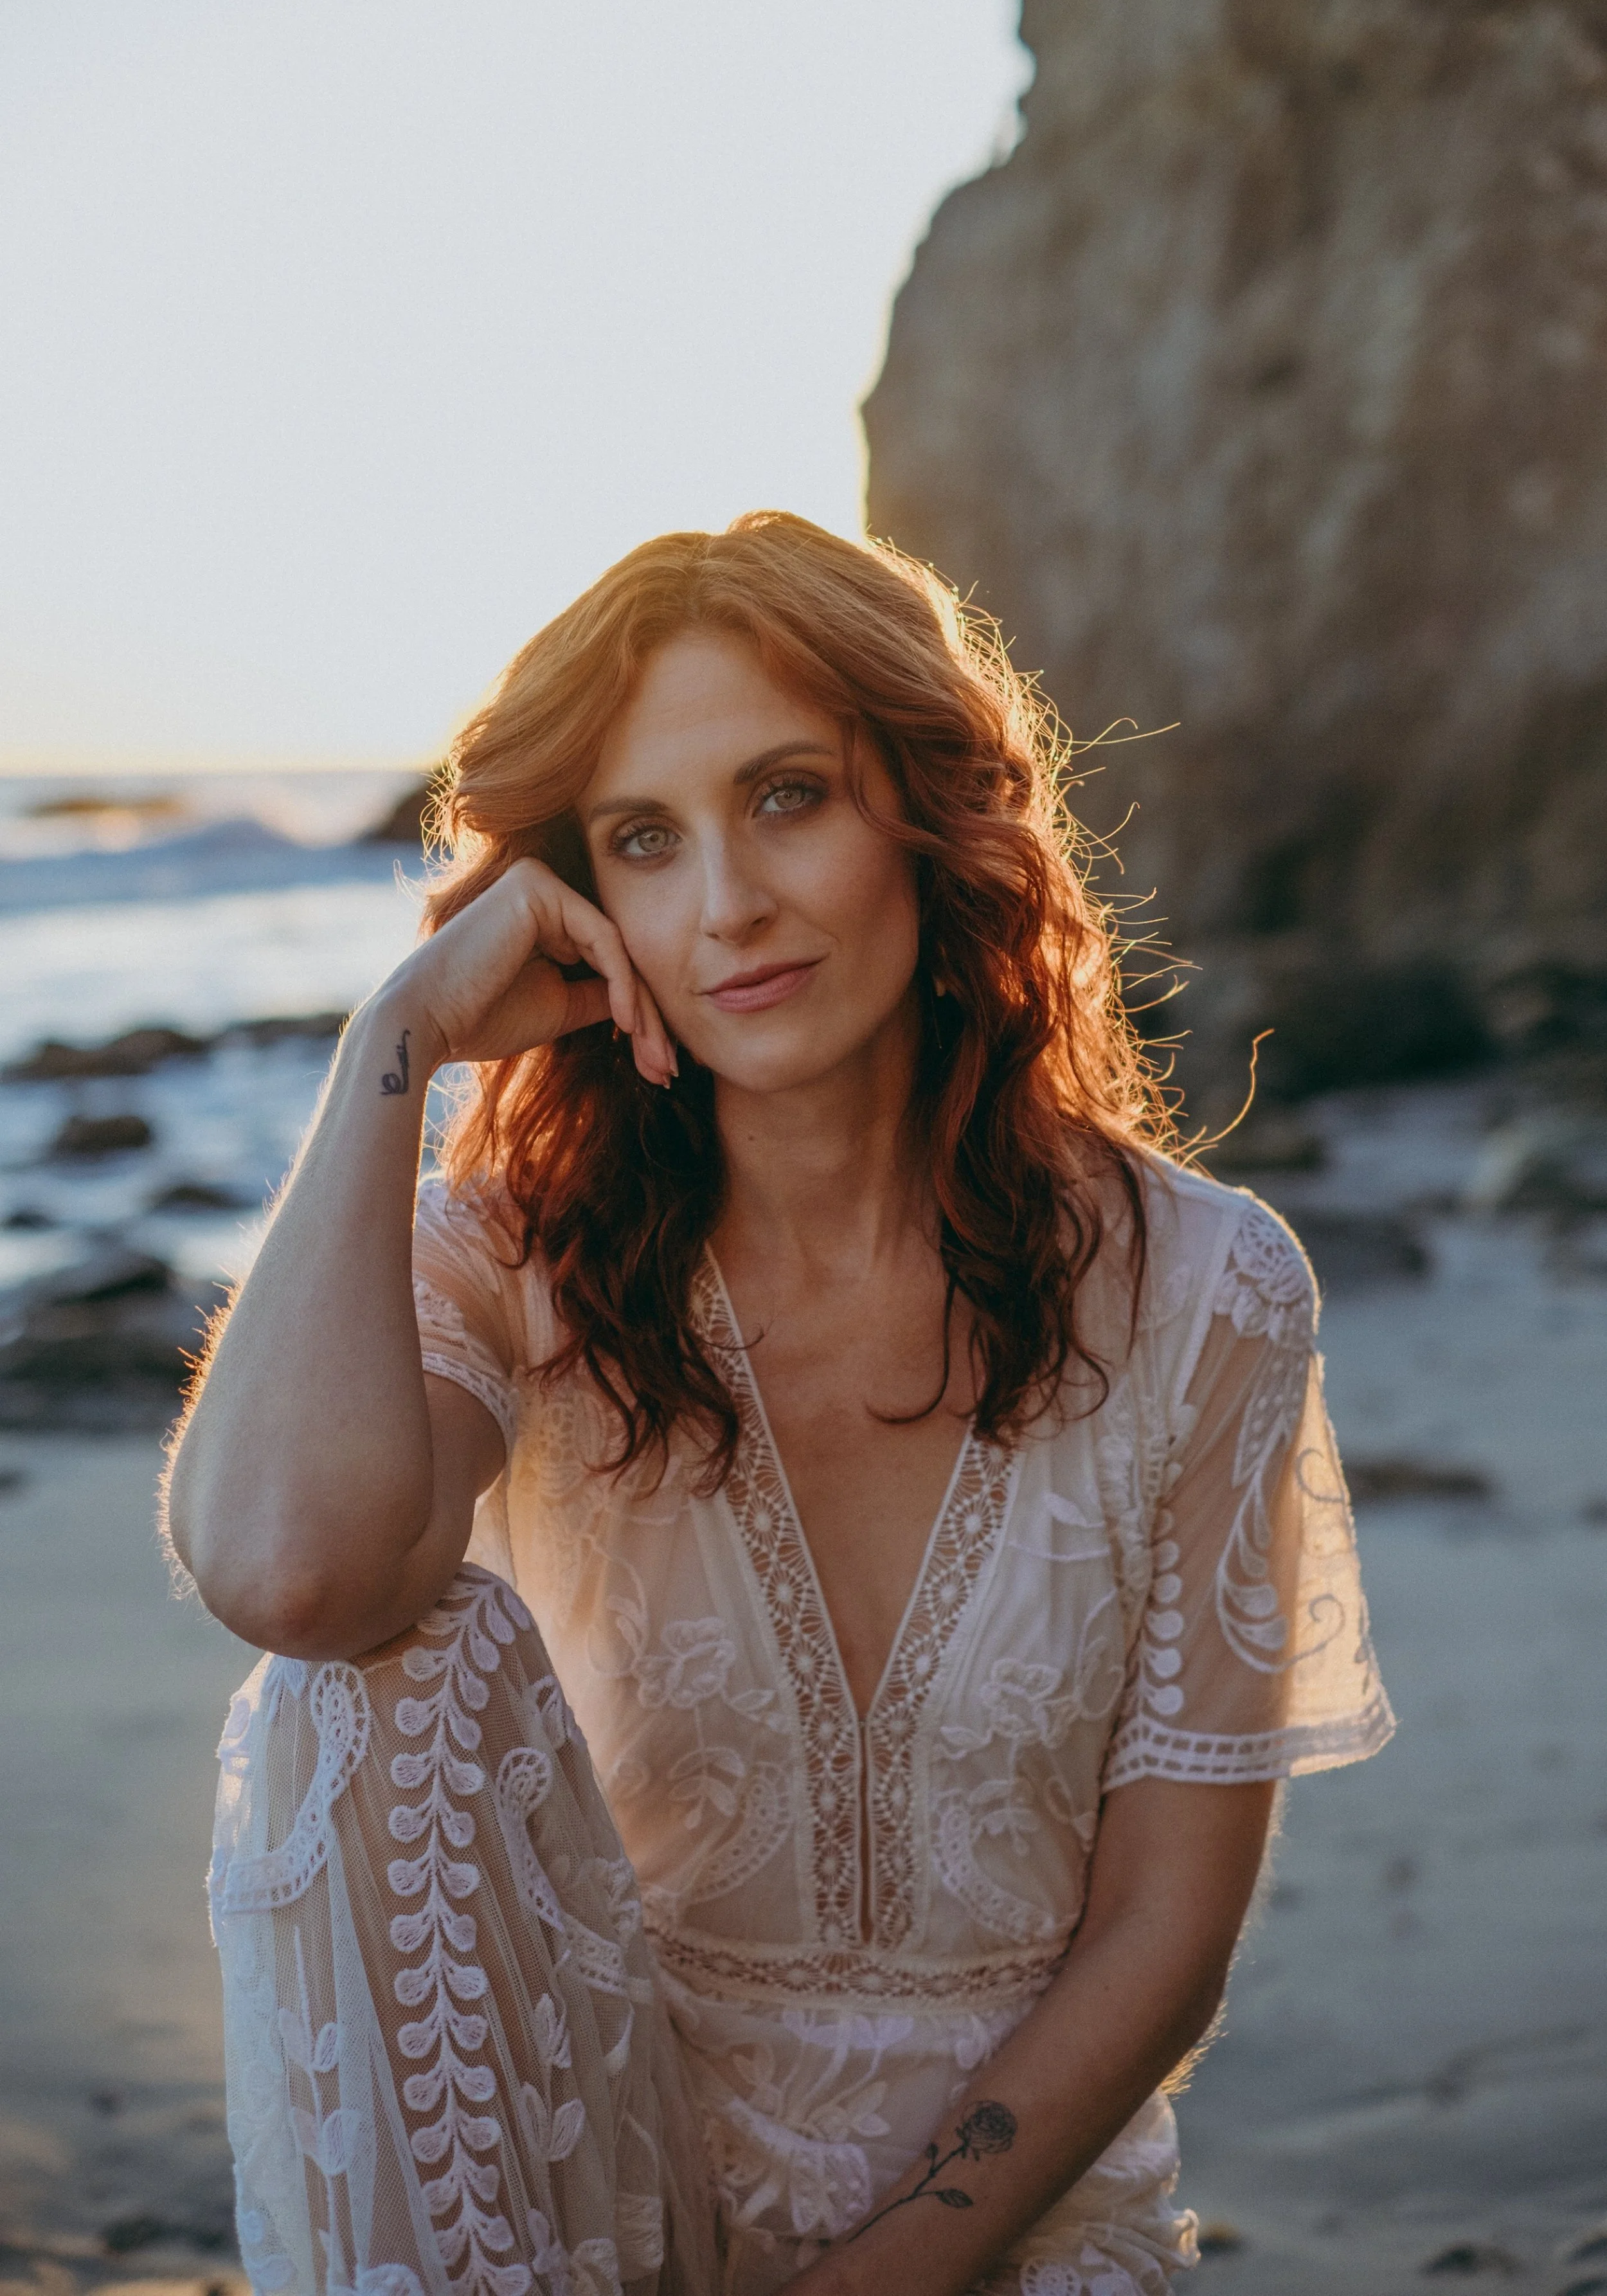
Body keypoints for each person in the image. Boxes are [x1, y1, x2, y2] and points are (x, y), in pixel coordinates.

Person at [166, 512, 1394, 2296]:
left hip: (1005, 2218)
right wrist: (396, 1044)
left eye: (787, 795)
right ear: (578, 903)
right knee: (355, 1689)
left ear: (922, 804)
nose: (726, 902)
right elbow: (287, 1570)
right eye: (644, 841)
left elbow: (1160, 1932)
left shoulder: (1207, 1288)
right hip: (593, 2180)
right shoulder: (518, 1259)